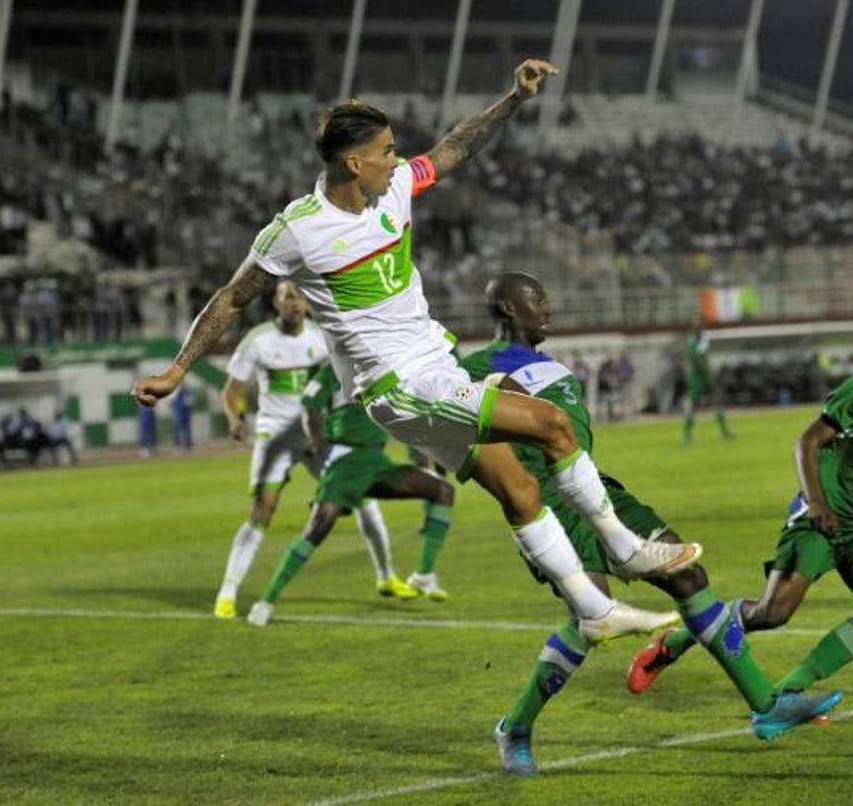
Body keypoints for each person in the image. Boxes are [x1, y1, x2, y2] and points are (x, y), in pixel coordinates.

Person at [133, 59, 699, 645]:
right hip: (398, 385)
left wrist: (513, 98)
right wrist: (179, 368)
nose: (397, 160)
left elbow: (455, 148)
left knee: (518, 487)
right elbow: (231, 298)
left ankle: (590, 606)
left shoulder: (397, 185)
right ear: (354, 162)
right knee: (553, 425)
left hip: (434, 368)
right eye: (386, 150)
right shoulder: (297, 230)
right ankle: (627, 549)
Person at [464, 273, 841, 775]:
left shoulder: (551, 367)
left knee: (688, 575)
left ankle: (766, 705)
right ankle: (515, 728)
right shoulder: (471, 369)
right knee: (590, 622)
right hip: (546, 506)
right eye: (537, 298)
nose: (547, 306)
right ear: (508, 309)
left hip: (599, 491)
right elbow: (456, 437)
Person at [628, 308, 853, 713]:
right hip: (825, 511)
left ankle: (789, 691)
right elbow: (807, 441)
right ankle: (672, 644)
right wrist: (815, 501)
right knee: (772, 612)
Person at [247, 362, 456, 627]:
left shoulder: (381, 366)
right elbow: (310, 407)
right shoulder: (331, 369)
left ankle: (424, 574)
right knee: (318, 527)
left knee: (442, 491)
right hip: (345, 460)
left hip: (376, 462)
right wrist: (316, 443)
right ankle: (265, 601)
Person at [212, 280, 336, 618]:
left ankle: (388, 576)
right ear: (276, 303)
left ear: (308, 304)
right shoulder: (259, 340)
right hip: (275, 434)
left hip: (316, 434)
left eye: (299, 297)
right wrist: (236, 419)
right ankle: (228, 591)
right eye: (287, 296)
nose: (294, 303)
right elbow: (232, 389)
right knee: (262, 512)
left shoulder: (323, 337)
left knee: (353, 493)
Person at [682, 317, 734, 445]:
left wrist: (709, 370)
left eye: (701, 325)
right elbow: (695, 359)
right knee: (694, 404)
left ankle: (725, 432)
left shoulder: (703, 338)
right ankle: (687, 436)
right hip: (696, 377)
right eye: (697, 325)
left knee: (716, 400)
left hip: (706, 375)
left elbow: (704, 356)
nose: (700, 327)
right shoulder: (691, 340)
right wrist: (707, 371)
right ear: (692, 327)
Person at [171, 385, 193, 453]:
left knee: (187, 431)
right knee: (178, 431)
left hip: (186, 415)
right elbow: (172, 405)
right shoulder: (174, 394)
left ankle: (188, 446)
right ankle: (178, 446)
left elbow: (190, 404)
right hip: (178, 415)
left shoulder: (187, 393)